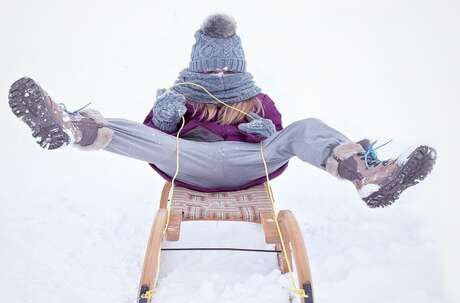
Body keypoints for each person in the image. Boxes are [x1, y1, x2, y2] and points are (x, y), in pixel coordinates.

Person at [7, 14, 436, 208]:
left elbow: (288, 139)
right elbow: (152, 142)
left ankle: (366, 175)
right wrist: (166, 117)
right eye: (210, 65)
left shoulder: (259, 99)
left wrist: (267, 132)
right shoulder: (181, 95)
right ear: (196, 64)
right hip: (189, 161)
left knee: (307, 127)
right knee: (120, 126)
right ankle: (66, 126)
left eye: (226, 65)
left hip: (253, 162)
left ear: (239, 64)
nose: (217, 72)